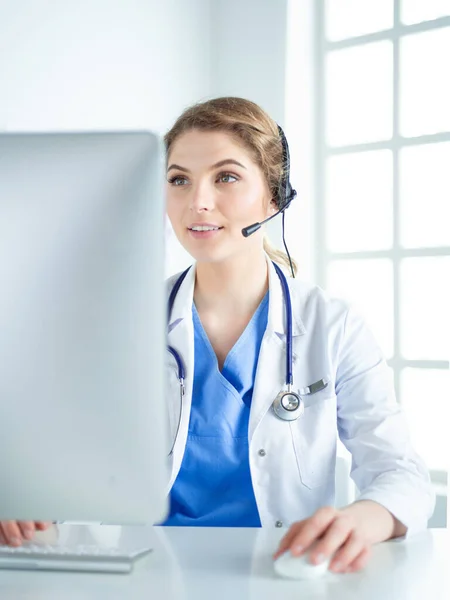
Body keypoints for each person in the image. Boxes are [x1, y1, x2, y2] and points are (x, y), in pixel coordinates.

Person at [1, 97, 435, 576]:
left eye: (225, 177)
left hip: (278, 575)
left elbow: (401, 475)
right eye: (178, 179)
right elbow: (59, 457)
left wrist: (363, 518)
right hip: (148, 575)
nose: (197, 201)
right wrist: (26, 500)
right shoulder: (122, 320)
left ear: (274, 196)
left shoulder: (334, 326)